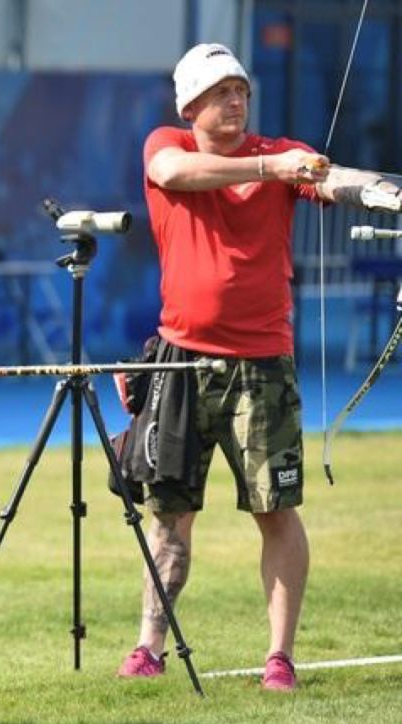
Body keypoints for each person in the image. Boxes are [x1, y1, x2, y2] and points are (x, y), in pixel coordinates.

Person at [117, 43, 401, 691]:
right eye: (221, 91)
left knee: (276, 509)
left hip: (262, 362)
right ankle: (149, 646)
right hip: (181, 360)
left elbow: (334, 179)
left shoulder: (281, 153)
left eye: (241, 90)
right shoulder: (168, 144)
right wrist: (274, 167)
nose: (236, 100)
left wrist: (386, 194)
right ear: (190, 105)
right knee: (169, 513)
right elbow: (174, 172)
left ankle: (280, 657)